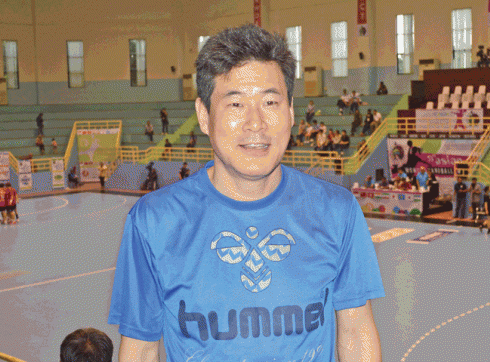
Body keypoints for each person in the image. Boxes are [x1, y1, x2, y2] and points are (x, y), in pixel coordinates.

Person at [109, 24, 384, 362]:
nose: (256, 123)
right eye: (236, 104)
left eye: (270, 102)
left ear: (291, 112)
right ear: (204, 116)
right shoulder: (155, 221)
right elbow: (141, 348)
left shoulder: (336, 211)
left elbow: (355, 332)